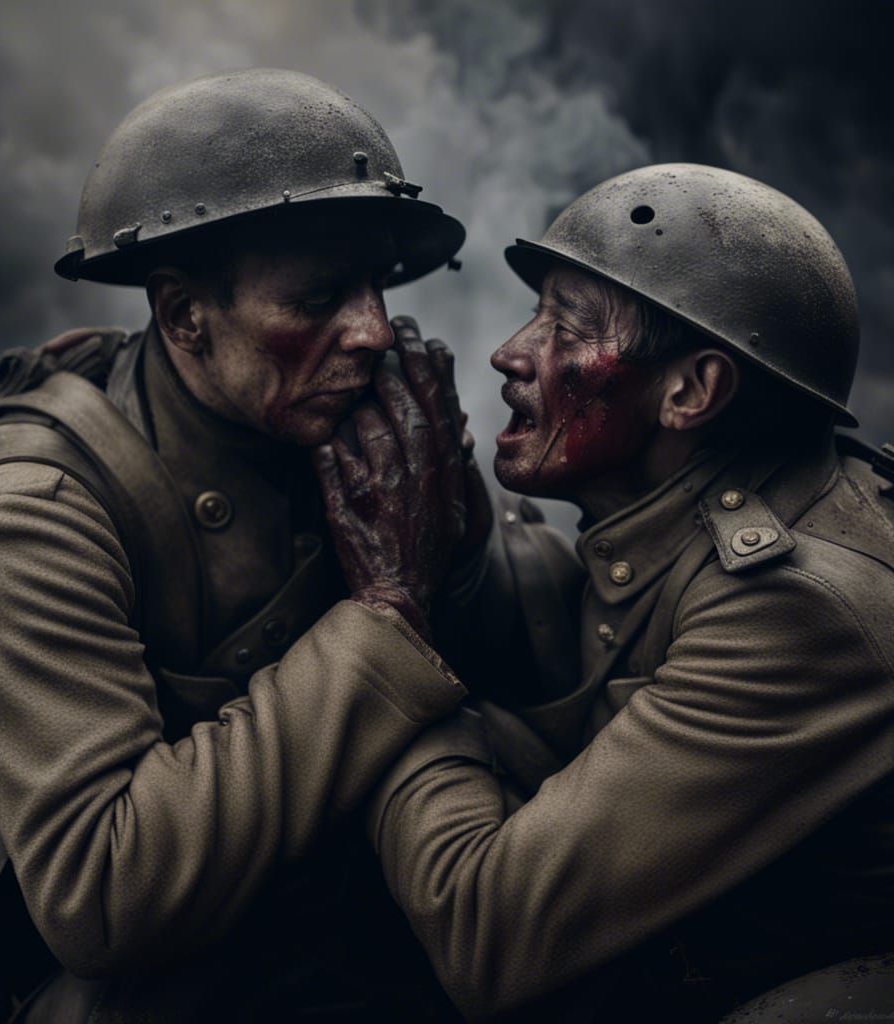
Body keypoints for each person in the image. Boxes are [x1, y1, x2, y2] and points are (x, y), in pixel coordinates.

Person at [0, 69, 580, 1022]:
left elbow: (517, 658)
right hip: (40, 988)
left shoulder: (306, 419)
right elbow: (105, 896)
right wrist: (388, 613)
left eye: (376, 287)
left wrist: (447, 529)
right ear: (183, 317)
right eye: (320, 297)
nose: (372, 330)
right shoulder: (29, 516)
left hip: (272, 924)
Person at [316, 163, 894, 1021]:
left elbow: (490, 934)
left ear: (691, 392)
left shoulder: (793, 607)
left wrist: (391, 642)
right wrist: (461, 536)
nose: (511, 352)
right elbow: (588, 677)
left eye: (567, 328)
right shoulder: (695, 507)